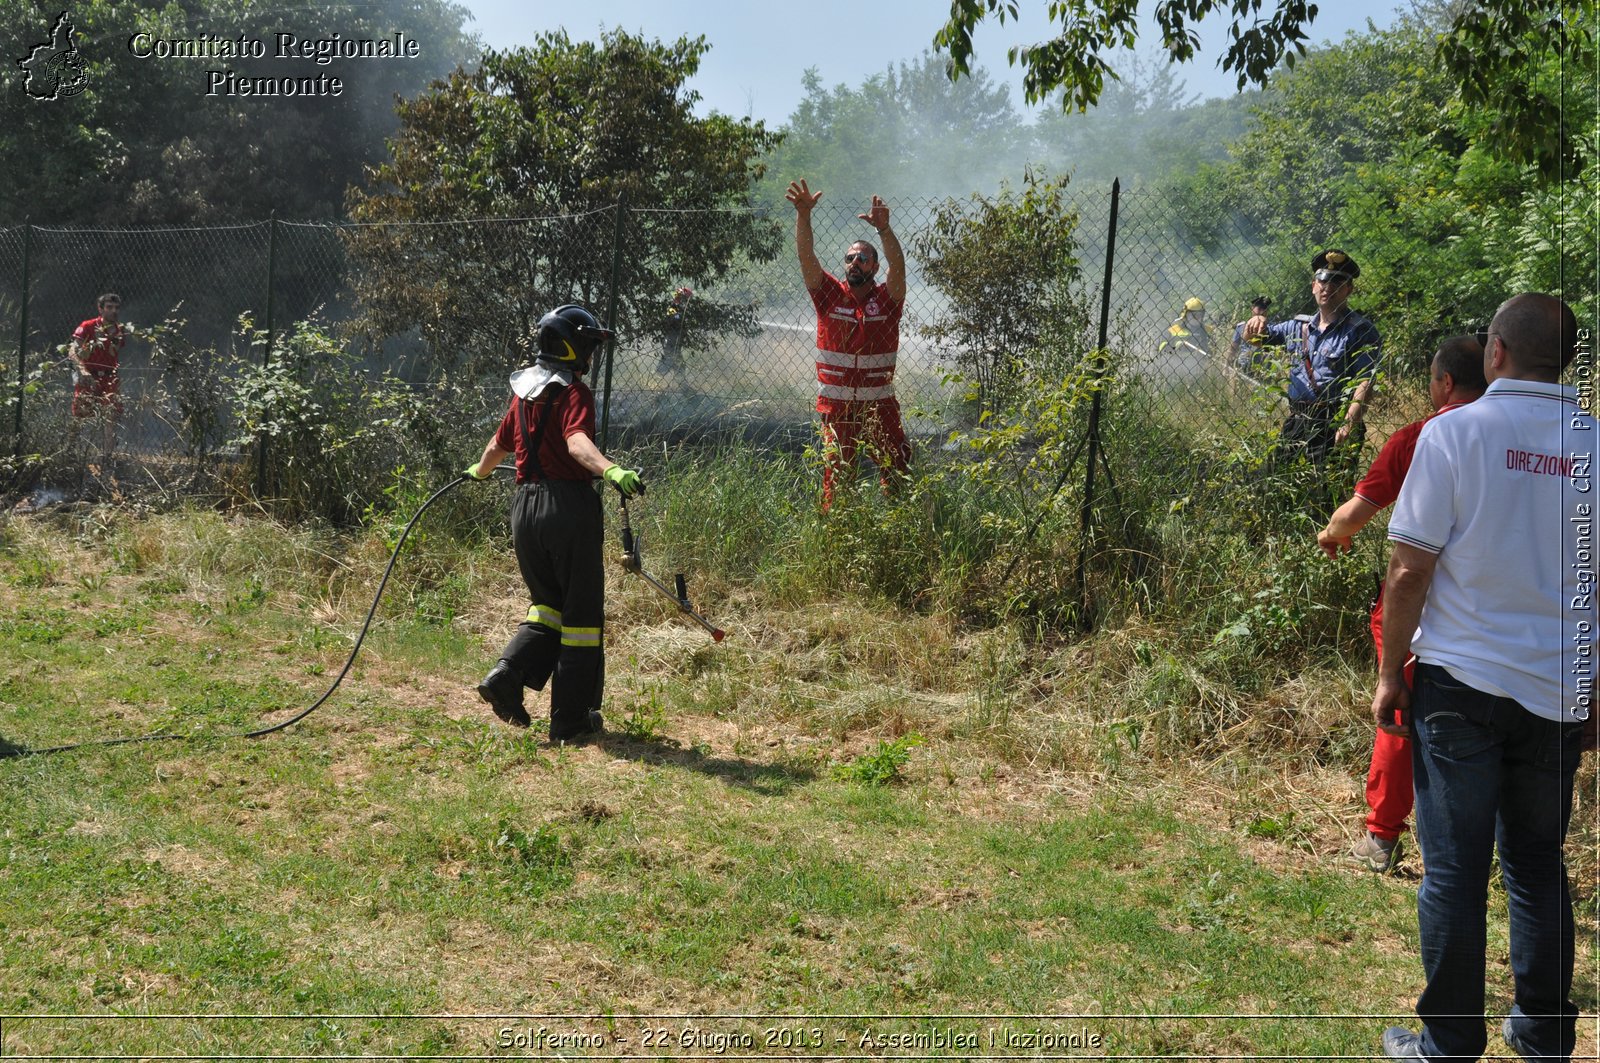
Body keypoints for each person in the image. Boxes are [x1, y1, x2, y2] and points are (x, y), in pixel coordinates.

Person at [1374, 294, 1597, 1062]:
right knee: (1538, 862)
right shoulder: (1594, 446)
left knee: (1456, 868)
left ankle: (1449, 1044)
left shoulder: (1454, 435)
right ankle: (1542, 1035)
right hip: (1557, 692)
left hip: (1461, 685)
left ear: (1495, 351)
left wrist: (1387, 672)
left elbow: (1408, 568)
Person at [1316, 335, 1486, 873]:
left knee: (1399, 712)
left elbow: (1356, 514)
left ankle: (1382, 838)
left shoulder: (1420, 436)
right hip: (1495, 613)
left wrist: (1331, 534)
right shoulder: (1533, 439)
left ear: (1443, 383)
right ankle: (1495, 847)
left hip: (1420, 609)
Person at [463, 304, 643, 742]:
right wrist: (611, 470)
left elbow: (496, 445)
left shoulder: (523, 394)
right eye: (587, 345)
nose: (589, 355)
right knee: (580, 619)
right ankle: (570, 721)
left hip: (524, 512)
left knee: (547, 607)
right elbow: (578, 444)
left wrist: (479, 472)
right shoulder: (572, 393)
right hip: (567, 509)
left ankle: (507, 676)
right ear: (571, 347)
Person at [785, 178, 911, 511]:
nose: (854, 262)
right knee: (838, 479)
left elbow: (898, 267)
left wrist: (884, 231)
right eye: (849, 258)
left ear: (874, 266)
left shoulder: (887, 300)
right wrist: (803, 215)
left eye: (862, 258)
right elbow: (805, 255)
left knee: (898, 470)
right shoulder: (828, 295)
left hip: (879, 408)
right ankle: (835, 540)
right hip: (837, 410)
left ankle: (897, 529)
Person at [1244, 250, 1381, 469]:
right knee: (1275, 478)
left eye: (1337, 281)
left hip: (1335, 421)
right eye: (1323, 280)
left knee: (1326, 494)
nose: (1328, 287)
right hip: (1298, 419)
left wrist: (1348, 424)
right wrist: (1256, 319)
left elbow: (1366, 380)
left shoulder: (1361, 331)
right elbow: (1254, 339)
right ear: (1313, 286)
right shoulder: (1297, 327)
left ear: (1349, 289)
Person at [69, 292, 126, 465]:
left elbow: (112, 352)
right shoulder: (87, 326)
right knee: (79, 415)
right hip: (88, 377)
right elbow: (72, 350)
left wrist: (111, 335)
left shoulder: (119, 330)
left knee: (111, 416)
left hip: (109, 378)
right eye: (109, 307)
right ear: (100, 309)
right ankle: (70, 451)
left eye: (116, 308)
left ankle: (107, 457)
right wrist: (83, 371)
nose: (113, 311)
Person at [1228, 296, 1272, 379]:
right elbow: (1233, 347)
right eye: (1259, 308)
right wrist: (1226, 367)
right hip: (1242, 367)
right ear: (1252, 308)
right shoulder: (1242, 326)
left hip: (1262, 370)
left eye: (1264, 308)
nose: (1262, 311)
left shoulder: (1271, 328)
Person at [657, 286, 692, 374]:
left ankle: (658, 378)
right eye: (685, 299)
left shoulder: (683, 311)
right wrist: (678, 317)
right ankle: (656, 380)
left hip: (675, 342)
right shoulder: (672, 308)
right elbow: (669, 321)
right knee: (673, 363)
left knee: (674, 364)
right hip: (670, 342)